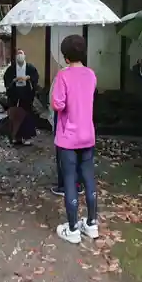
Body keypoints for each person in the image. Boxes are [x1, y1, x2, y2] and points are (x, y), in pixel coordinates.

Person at [52, 35, 98, 244]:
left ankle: (72, 229)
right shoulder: (91, 74)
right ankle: (91, 224)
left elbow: (58, 105)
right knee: (88, 178)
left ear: (66, 56)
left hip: (68, 137)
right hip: (87, 134)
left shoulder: (63, 76)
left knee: (70, 179)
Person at [49, 70, 84, 197]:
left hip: (64, 121)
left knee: (64, 153)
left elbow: (56, 103)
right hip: (81, 121)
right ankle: (78, 184)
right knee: (78, 152)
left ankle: (65, 186)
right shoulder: (87, 76)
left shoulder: (62, 76)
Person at [3, 50, 39, 146]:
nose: (19, 56)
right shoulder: (11, 69)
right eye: (18, 54)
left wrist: (28, 78)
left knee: (27, 115)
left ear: (24, 56)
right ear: (15, 57)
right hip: (15, 94)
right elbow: (7, 80)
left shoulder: (30, 68)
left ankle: (27, 137)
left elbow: (35, 77)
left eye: (21, 54)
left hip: (26, 93)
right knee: (15, 115)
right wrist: (14, 80)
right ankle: (16, 136)